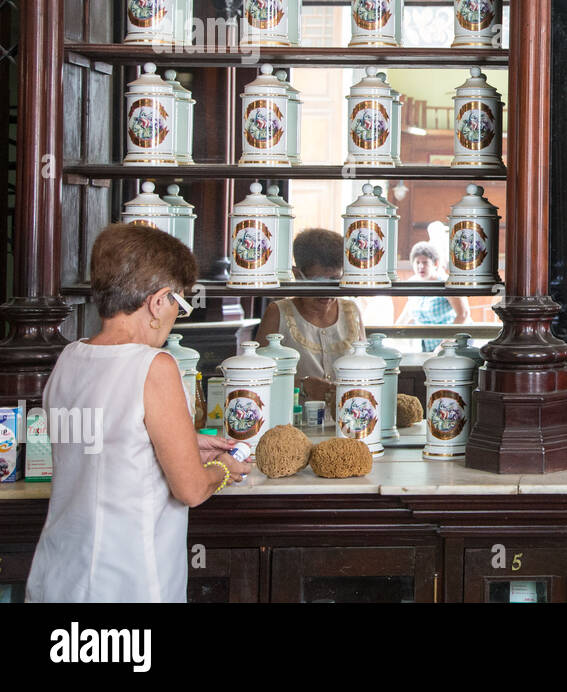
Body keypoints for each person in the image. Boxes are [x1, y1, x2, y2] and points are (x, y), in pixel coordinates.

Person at [26, 223, 252, 603]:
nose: (174, 318)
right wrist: (226, 469)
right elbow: (192, 489)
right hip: (128, 582)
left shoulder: (69, 358)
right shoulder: (153, 365)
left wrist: (183, 443)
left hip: (58, 575)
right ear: (158, 300)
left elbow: (101, 444)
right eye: (179, 305)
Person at [254, 228, 365, 408]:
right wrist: (304, 386)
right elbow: (257, 380)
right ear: (298, 275)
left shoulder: (351, 311)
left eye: (335, 281)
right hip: (291, 423)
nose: (327, 292)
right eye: (319, 282)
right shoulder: (279, 313)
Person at [396, 241, 469, 351]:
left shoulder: (446, 283)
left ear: (435, 264)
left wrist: (445, 344)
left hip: (453, 345)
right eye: (417, 262)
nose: (421, 266)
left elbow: (463, 315)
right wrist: (393, 333)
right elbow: (408, 312)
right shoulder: (411, 283)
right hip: (426, 346)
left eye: (425, 262)